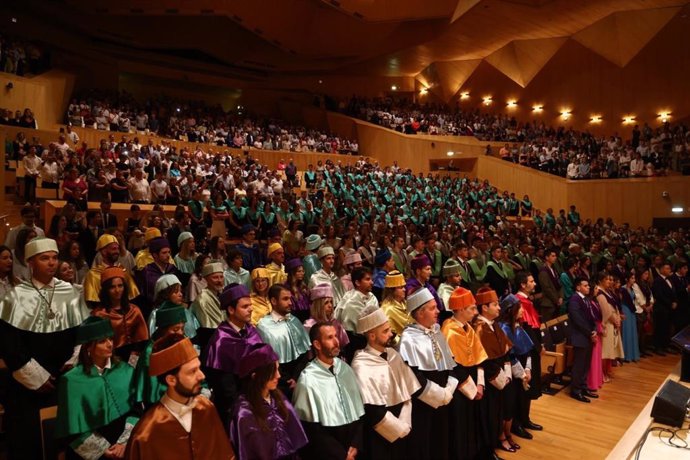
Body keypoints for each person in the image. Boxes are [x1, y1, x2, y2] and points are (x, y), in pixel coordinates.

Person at [0, 237, 89, 459]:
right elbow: (9, 342)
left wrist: (75, 359)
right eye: (44, 258)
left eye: (54, 258)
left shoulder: (68, 291)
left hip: (64, 375)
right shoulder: (16, 295)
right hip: (29, 384)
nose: (51, 263)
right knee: (30, 441)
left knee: (65, 439)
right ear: (30, 263)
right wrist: (34, 376)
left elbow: (82, 331)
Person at [124, 334, 236, 459]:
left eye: (199, 368)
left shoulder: (206, 408)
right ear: (171, 380)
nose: (201, 376)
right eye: (192, 371)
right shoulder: (146, 434)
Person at [55, 316, 137, 459]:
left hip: (125, 443)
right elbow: (71, 428)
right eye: (102, 341)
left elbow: (136, 409)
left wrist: (123, 443)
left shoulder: (125, 370)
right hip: (91, 450)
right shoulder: (71, 380)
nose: (110, 344)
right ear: (88, 347)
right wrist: (104, 450)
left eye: (111, 339)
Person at [350, 305, 420, 460]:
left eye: (389, 329)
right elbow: (371, 409)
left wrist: (405, 422)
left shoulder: (394, 354)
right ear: (372, 336)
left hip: (404, 425)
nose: (391, 334)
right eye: (385, 331)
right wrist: (398, 428)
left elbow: (407, 391)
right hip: (380, 433)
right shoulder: (360, 364)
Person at [292, 322, 365, 460]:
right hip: (328, 453)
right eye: (330, 337)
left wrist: (356, 444)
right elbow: (312, 430)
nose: (337, 341)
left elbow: (359, 411)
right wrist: (341, 455)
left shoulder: (345, 369)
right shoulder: (308, 379)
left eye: (336, 336)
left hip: (353, 448)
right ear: (317, 345)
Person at [230, 343, 308, 460]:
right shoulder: (244, 414)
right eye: (273, 372)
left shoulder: (279, 399)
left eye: (278, 369)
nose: (279, 375)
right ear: (255, 376)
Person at [204, 284, 265, 426]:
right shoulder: (221, 341)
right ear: (231, 310)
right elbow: (226, 388)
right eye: (245, 307)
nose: (251, 309)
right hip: (236, 408)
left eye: (250, 305)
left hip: (257, 395)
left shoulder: (250, 330)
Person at [441, 287, 489, 460]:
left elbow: (480, 358)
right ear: (460, 310)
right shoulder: (449, 331)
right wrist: (472, 390)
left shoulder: (468, 327)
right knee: (461, 427)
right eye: (472, 308)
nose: (476, 312)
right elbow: (451, 367)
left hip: (475, 384)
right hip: (460, 388)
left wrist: (481, 384)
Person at [474, 287, 513, 455]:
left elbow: (504, 350)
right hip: (489, 378)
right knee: (488, 414)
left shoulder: (493, 324)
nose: (499, 308)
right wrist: (498, 377)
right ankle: (488, 448)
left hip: (500, 374)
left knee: (499, 411)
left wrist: (507, 373)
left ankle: (499, 437)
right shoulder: (479, 327)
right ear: (484, 307)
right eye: (495, 304)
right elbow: (481, 359)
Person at [256, 284, 310, 397]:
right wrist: (287, 380)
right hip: (280, 384)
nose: (290, 302)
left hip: (302, 377)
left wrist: (296, 377)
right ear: (274, 301)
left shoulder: (294, 320)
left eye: (290, 298)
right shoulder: (263, 326)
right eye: (285, 299)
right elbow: (269, 360)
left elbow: (304, 352)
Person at [132, 302, 188, 409]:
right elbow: (153, 390)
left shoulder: (180, 342)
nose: (180, 333)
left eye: (182, 328)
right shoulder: (151, 352)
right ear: (163, 330)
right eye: (175, 329)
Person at [497, 294, 535, 448]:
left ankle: (512, 430)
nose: (522, 312)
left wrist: (528, 368)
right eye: (519, 309)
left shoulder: (518, 327)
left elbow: (528, 351)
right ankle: (504, 434)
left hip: (521, 371)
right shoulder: (504, 328)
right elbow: (510, 356)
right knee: (508, 405)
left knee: (517, 403)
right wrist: (522, 373)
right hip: (510, 373)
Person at [92, 266, 149, 362]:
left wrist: (133, 361)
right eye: (112, 287)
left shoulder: (134, 310)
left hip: (135, 357)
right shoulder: (100, 314)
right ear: (106, 290)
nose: (117, 290)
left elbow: (142, 340)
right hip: (111, 358)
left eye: (120, 286)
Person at [513, 271, 544, 430]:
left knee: (529, 385)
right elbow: (526, 328)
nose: (534, 284)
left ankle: (525, 418)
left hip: (532, 346)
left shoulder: (527, 301)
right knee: (523, 385)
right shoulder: (518, 301)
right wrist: (537, 346)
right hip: (524, 348)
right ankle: (518, 422)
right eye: (531, 281)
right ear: (523, 285)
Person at [84, 234, 140, 307]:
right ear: (104, 251)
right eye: (114, 249)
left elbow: (132, 297)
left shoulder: (122, 270)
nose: (117, 251)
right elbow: (93, 303)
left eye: (117, 249)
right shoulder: (93, 274)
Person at [567, 277, 599, 403]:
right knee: (579, 365)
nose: (588, 287)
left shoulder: (586, 299)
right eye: (585, 286)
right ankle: (575, 391)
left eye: (588, 286)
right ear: (578, 287)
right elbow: (577, 320)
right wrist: (590, 332)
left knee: (586, 364)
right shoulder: (574, 299)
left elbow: (591, 317)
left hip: (587, 335)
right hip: (580, 336)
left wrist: (594, 329)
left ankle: (583, 387)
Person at [149, 274, 199, 341]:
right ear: (165, 294)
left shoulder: (185, 311)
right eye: (176, 292)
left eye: (180, 291)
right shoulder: (156, 314)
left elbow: (194, 333)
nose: (180, 294)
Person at [594, 271, 624, 381]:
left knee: (610, 349)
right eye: (607, 279)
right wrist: (615, 320)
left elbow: (614, 307)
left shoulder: (607, 292)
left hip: (613, 322)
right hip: (607, 323)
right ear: (600, 280)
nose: (609, 282)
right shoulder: (599, 292)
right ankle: (602, 374)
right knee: (605, 351)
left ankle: (607, 371)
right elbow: (605, 310)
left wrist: (618, 319)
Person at [137, 236, 178, 312]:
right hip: (154, 310)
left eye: (169, 252)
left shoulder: (172, 269)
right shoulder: (147, 272)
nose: (168, 255)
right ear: (155, 255)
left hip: (173, 307)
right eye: (164, 253)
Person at [304, 283, 350, 350]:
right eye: (326, 303)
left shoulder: (335, 322)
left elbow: (344, 345)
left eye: (331, 302)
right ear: (318, 305)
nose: (330, 305)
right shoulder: (309, 325)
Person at [190, 262, 226, 344]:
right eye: (215, 277)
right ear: (206, 279)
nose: (219, 280)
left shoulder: (223, 294)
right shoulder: (202, 299)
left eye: (221, 277)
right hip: (213, 340)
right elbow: (208, 329)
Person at [651, 262, 678, 355]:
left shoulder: (670, 279)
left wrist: (675, 301)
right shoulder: (657, 280)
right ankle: (658, 347)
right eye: (667, 268)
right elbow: (659, 295)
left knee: (667, 328)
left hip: (669, 309)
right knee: (660, 328)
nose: (669, 270)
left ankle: (665, 346)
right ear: (662, 269)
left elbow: (674, 292)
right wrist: (670, 303)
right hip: (661, 308)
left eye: (669, 269)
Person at [380, 270, 411, 341]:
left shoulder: (405, 302)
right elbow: (388, 335)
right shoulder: (387, 309)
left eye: (404, 287)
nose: (404, 289)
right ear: (392, 290)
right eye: (400, 287)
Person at [620, 271, 641, 362]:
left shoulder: (632, 289)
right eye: (632, 278)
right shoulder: (622, 289)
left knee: (632, 332)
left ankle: (633, 355)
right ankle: (625, 356)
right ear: (627, 279)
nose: (634, 280)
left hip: (631, 312)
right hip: (625, 310)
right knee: (626, 331)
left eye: (634, 278)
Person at [538, 248, 563, 321]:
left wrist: (561, 297)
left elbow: (559, 284)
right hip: (548, 303)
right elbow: (546, 288)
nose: (555, 257)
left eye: (555, 256)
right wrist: (556, 300)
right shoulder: (543, 271)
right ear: (546, 257)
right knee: (549, 326)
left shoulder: (553, 269)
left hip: (556, 301)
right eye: (553, 256)